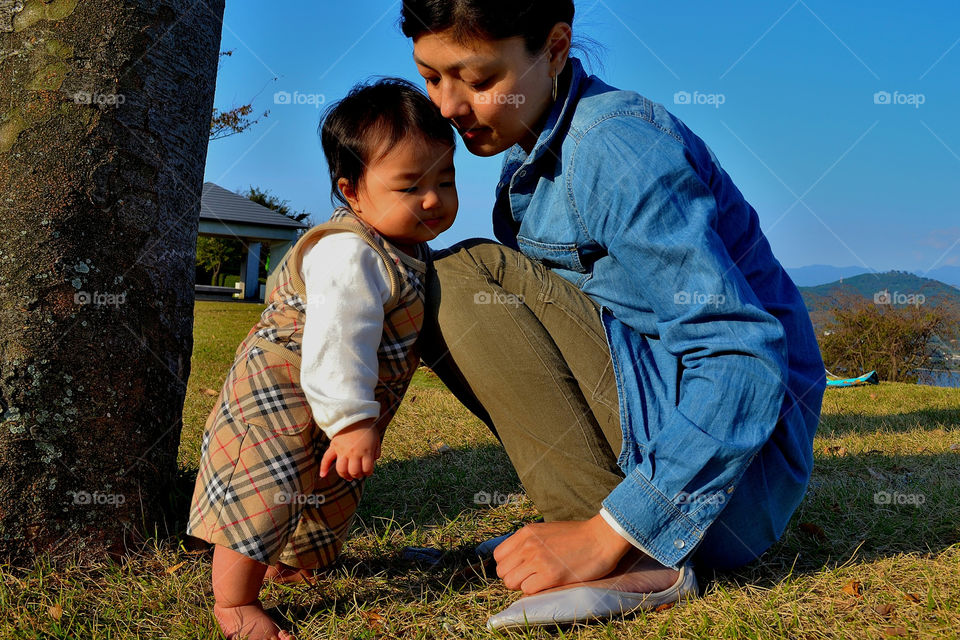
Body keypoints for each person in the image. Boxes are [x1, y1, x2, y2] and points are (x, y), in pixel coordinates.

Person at [400, 0, 827, 630]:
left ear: (554, 47)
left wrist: (610, 532)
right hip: (685, 455)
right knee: (425, 278)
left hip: (735, 491)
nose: (447, 106)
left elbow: (742, 352)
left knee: (466, 275)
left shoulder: (614, 148)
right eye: (432, 76)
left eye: (480, 80)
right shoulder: (527, 153)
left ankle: (631, 551)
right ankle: (605, 527)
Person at [185, 78, 458, 640]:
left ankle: (287, 564)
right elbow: (339, 339)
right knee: (263, 487)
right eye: (410, 185)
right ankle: (234, 605)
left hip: (333, 402)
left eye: (446, 180)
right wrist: (354, 421)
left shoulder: (406, 250)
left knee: (321, 489)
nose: (433, 199)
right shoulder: (349, 251)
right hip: (280, 394)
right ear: (351, 191)